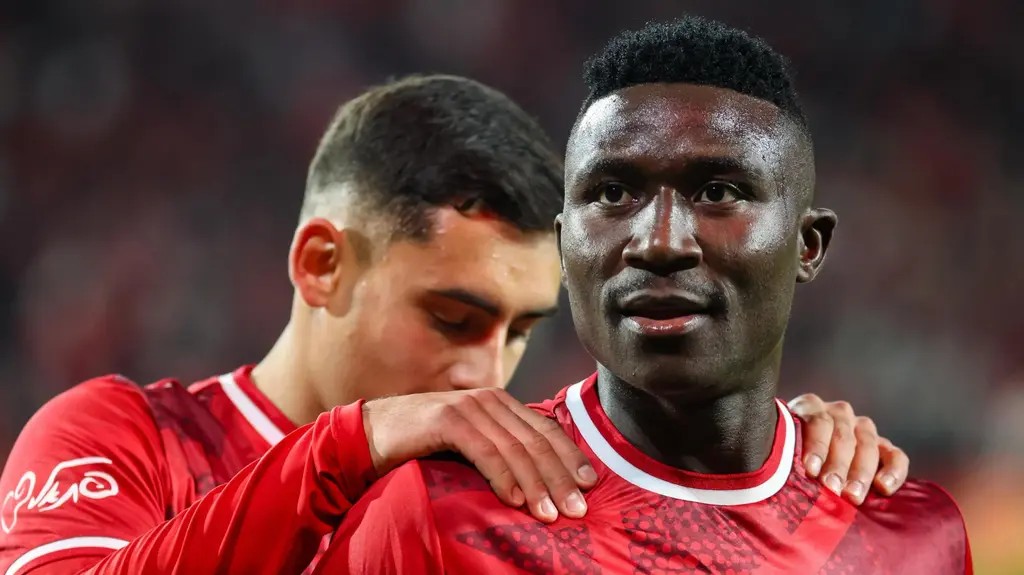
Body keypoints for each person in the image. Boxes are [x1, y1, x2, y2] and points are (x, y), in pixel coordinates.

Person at [0, 75, 906, 575]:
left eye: (518, 330)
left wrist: (762, 462)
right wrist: (348, 443)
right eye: (452, 316)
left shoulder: (511, 487)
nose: (484, 373)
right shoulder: (124, 437)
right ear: (322, 264)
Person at [314, 17, 972, 574]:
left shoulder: (913, 539)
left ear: (808, 246)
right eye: (612, 194)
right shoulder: (437, 518)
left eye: (717, 192)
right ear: (564, 248)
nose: (659, 243)